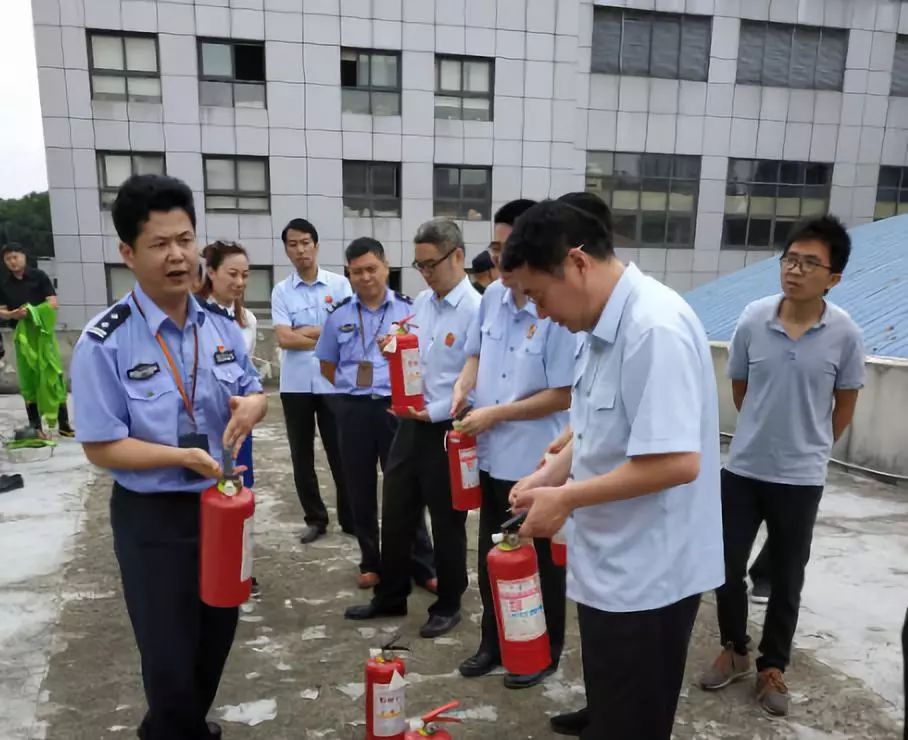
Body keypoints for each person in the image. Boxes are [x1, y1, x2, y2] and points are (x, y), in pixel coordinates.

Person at [504, 200, 723, 740]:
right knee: (612, 709)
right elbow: (599, 425)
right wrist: (549, 475)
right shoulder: (599, 327)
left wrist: (569, 498)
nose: (539, 311)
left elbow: (677, 461)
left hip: (650, 578)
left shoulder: (654, 328)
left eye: (537, 293)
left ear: (576, 263)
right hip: (613, 564)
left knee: (634, 721)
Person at [70, 173, 268, 739]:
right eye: (160, 244)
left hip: (224, 509)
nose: (178, 256)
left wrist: (254, 406)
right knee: (169, 661)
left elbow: (254, 390)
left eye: (185, 240)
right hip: (153, 521)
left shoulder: (222, 328)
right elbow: (100, 444)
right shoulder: (104, 341)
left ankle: (178, 730)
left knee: (215, 642)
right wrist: (180, 459)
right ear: (128, 253)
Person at [699, 215, 865, 717]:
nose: (795, 270)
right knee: (724, 566)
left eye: (810, 263)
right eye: (790, 259)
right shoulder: (752, 318)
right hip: (744, 468)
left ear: (833, 277)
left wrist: (810, 448)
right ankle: (735, 649)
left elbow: (844, 406)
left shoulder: (846, 335)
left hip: (800, 478)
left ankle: (774, 667)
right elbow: (741, 389)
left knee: (788, 577)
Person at [451, 198, 574, 689]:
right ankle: (494, 641)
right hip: (489, 453)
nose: (499, 261)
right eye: (495, 249)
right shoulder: (491, 299)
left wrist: (496, 413)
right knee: (493, 556)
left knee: (540, 565)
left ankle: (544, 649)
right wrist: (464, 386)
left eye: (508, 250)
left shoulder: (554, 308)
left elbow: (563, 392)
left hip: (536, 458)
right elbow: (475, 356)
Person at [345, 219, 481, 639]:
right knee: (398, 512)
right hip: (408, 422)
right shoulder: (421, 303)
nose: (425, 272)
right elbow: (408, 350)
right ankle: (391, 594)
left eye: (430, 264)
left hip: (447, 428)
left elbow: (479, 379)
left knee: (446, 520)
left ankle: (450, 601)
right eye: (418, 265)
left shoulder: (476, 309)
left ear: (456, 256)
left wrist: (437, 410)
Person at [315, 237, 436, 591]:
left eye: (372, 268)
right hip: (352, 410)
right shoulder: (338, 315)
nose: (365, 277)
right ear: (348, 274)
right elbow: (327, 364)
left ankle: (422, 564)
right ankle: (371, 561)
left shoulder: (409, 312)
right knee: (359, 488)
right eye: (357, 271)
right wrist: (350, 390)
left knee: (406, 487)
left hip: (395, 409)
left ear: (386, 267)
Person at [271, 218, 353, 544]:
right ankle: (315, 519)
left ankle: (350, 518)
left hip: (333, 383)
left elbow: (346, 331)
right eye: (293, 244)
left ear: (316, 245)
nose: (300, 249)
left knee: (342, 454)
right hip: (296, 387)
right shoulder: (281, 291)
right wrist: (325, 334)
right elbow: (284, 339)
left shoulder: (340, 286)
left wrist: (304, 331)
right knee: (301, 456)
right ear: (287, 250)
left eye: (306, 242)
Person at [196, 241, 258, 487]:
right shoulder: (194, 318)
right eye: (232, 274)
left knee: (239, 487)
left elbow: (247, 372)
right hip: (205, 421)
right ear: (211, 272)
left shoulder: (247, 321)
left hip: (239, 421)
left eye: (244, 275)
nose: (240, 282)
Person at [0, 243, 75, 437]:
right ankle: (36, 427)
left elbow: (52, 303)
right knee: (29, 381)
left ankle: (64, 424)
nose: (12, 262)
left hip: (43, 335)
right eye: (8, 259)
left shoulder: (39, 277)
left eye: (15, 257)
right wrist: (12, 315)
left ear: (24, 256)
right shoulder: (4, 284)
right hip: (22, 338)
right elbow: (1, 310)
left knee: (52, 376)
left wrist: (32, 312)